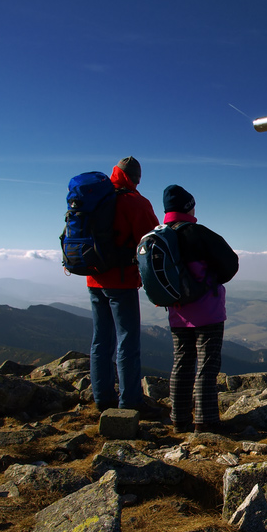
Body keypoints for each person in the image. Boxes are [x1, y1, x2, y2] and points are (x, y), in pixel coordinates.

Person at [161, 184, 239, 434]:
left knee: (181, 364)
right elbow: (230, 264)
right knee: (207, 367)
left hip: (177, 313)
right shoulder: (199, 233)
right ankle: (206, 423)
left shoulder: (159, 237)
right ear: (188, 207)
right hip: (208, 312)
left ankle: (179, 420)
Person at [87, 156, 159, 413]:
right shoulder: (135, 202)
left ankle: (102, 397)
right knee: (127, 340)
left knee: (101, 339)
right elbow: (152, 241)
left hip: (94, 278)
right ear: (136, 178)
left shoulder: (96, 200)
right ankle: (130, 401)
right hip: (122, 280)